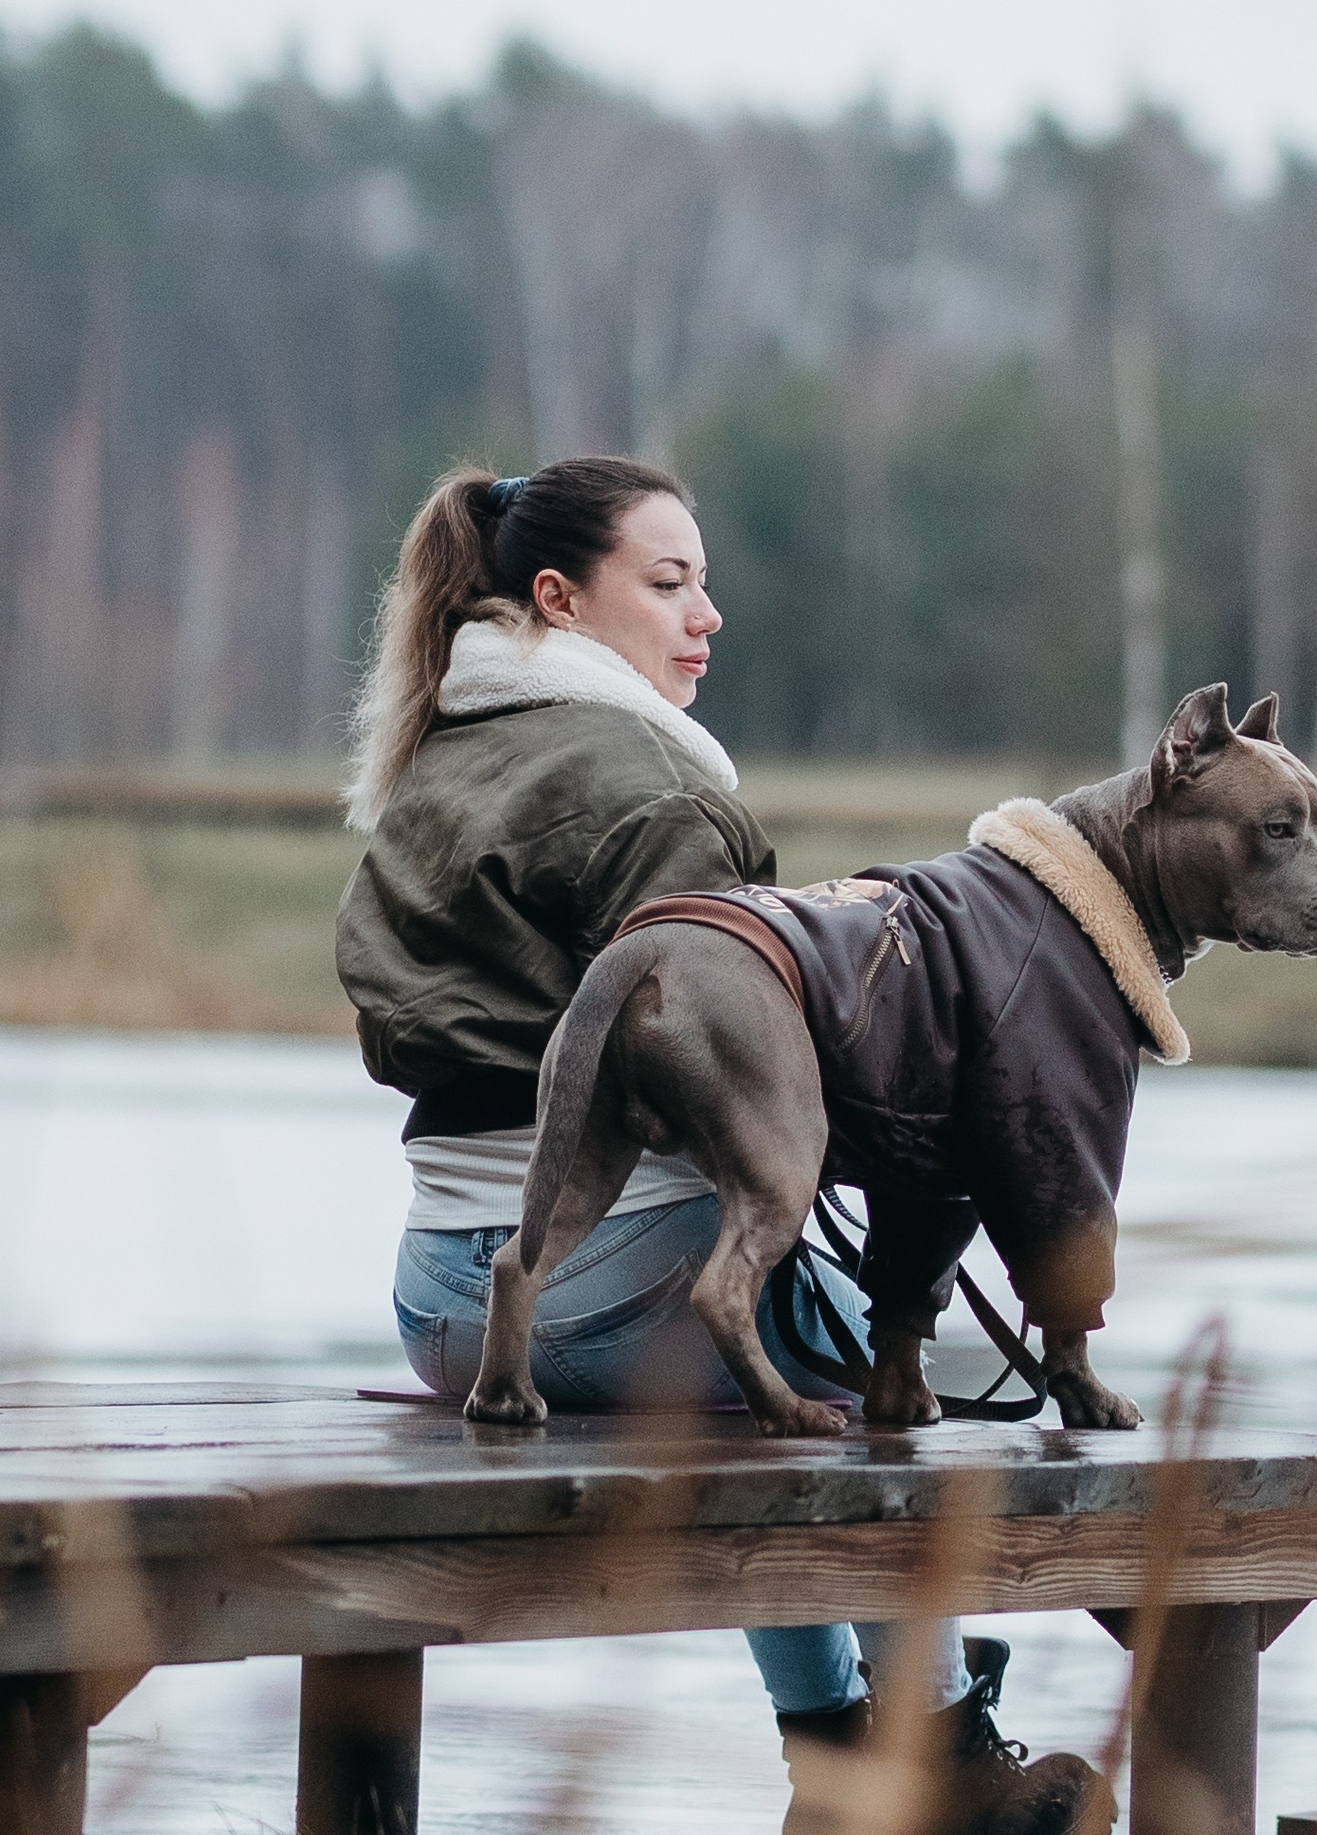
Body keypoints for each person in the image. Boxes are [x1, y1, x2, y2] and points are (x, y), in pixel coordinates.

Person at [334, 457, 1103, 1835]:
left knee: (787, 1373)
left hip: (441, 1298)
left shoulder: (442, 754)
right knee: (904, 1369)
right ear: (562, 600)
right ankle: (936, 1748)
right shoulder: (651, 792)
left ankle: (840, 1753)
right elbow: (729, 1059)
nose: (710, 615)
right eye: (671, 581)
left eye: (707, 581)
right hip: (617, 1295)